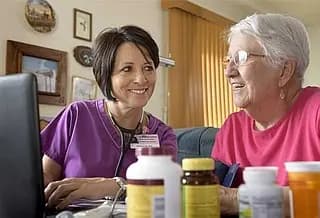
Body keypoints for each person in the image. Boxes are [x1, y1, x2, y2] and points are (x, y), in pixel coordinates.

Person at [41, 25, 177, 210]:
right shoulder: (76, 115)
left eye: (148, 68)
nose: (141, 78)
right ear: (105, 75)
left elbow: (165, 191)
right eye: (127, 69)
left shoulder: (162, 135)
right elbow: (44, 176)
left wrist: (113, 186)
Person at [211, 13, 320, 215]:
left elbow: (226, 199)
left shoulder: (316, 112)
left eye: (241, 58)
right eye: (228, 60)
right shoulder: (232, 129)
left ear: (284, 71)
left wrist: (238, 199)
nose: (228, 71)